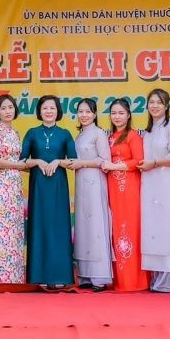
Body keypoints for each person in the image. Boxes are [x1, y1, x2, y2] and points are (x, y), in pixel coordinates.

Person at [22, 95, 77, 290]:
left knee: (58, 227)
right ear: (39, 111)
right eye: (45, 108)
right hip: (38, 185)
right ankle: (40, 276)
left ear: (58, 111)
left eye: (52, 108)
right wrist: (37, 161)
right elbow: (21, 161)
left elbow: (73, 161)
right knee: (40, 226)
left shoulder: (65, 134)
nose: (48, 111)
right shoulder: (32, 133)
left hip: (58, 185)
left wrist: (58, 161)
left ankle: (60, 275)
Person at [140, 89, 170, 294]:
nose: (155, 106)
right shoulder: (148, 131)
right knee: (153, 228)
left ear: (167, 106)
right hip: (150, 182)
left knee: (169, 227)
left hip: (167, 180)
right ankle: (157, 278)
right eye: (151, 102)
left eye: (159, 102)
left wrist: (155, 163)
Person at [103, 98, 147, 292]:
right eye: (114, 113)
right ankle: (121, 280)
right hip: (113, 188)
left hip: (129, 188)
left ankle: (135, 281)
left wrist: (114, 166)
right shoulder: (110, 137)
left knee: (131, 229)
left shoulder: (133, 136)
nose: (117, 117)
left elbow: (138, 161)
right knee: (116, 229)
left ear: (128, 115)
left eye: (121, 113)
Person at [71, 99, 113, 291]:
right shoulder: (80, 135)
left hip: (95, 181)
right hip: (81, 183)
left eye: (88, 111)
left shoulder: (99, 134)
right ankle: (85, 275)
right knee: (83, 227)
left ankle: (99, 276)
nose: (84, 115)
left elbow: (105, 160)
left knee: (96, 225)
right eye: (81, 111)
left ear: (95, 114)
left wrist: (83, 164)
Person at [0, 94, 27, 287]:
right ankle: (2, 276)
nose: (8, 111)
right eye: (3, 108)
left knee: (15, 228)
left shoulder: (14, 132)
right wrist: (18, 165)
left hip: (15, 184)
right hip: (2, 183)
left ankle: (15, 275)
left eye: (10, 107)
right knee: (3, 227)